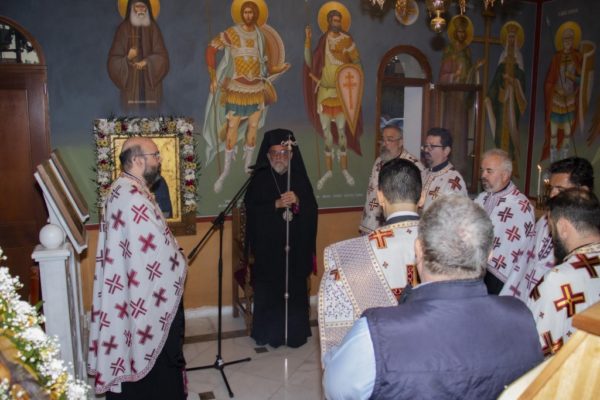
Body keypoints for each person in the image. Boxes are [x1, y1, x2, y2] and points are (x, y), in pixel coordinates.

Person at [323, 195, 543, 400]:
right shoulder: (522, 318)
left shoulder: (376, 334)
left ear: (418, 249)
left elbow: (336, 388)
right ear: (489, 256)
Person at [88, 137, 187, 398]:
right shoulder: (132, 197)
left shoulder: (125, 188)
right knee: (155, 350)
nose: (160, 160)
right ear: (137, 160)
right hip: (143, 289)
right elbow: (154, 250)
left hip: (131, 284)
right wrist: (178, 259)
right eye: (155, 155)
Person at [319, 158, 421, 358]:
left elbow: (338, 351)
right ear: (422, 196)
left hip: (379, 360)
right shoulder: (450, 248)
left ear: (380, 197)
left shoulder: (347, 257)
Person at [203, 0, 289, 193]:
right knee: (232, 127)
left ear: (256, 15)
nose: (249, 15)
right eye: (246, 12)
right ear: (241, 14)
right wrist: (213, 77)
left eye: (252, 12)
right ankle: (226, 171)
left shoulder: (260, 36)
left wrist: (279, 69)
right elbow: (210, 50)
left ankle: (248, 168)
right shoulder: (232, 33)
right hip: (237, 88)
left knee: (253, 127)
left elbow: (266, 65)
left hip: (256, 89)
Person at [244, 128, 318, 348]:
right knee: (268, 287)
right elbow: (251, 210)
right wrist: (274, 205)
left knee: (294, 285)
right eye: (274, 153)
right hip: (268, 249)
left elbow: (312, 211)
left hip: (295, 248)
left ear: (291, 155)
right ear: (267, 155)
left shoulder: (300, 179)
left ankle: (295, 333)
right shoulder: (259, 179)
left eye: (284, 152)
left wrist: (299, 201)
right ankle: (268, 333)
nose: (279, 157)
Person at [526, 188, 600, 357]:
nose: (550, 234)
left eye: (551, 226)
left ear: (563, 227)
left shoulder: (558, 280)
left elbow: (536, 347)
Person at [304, 1, 363, 190]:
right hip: (324, 92)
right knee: (327, 134)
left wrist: (354, 81)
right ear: (328, 22)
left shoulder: (347, 40)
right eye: (334, 20)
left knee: (342, 132)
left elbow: (357, 63)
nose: (336, 23)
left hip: (341, 93)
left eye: (339, 20)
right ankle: (329, 171)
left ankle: (344, 169)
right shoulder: (323, 41)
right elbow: (310, 62)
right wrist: (308, 40)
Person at [523, 157, 594, 300]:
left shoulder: (589, 229)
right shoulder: (544, 221)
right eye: (551, 188)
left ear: (583, 192)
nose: (552, 195)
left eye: (560, 189)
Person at [474, 149, 536, 297]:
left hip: (500, 278)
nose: (483, 175)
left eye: (489, 171)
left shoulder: (521, 206)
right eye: (482, 170)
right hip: (474, 271)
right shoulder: (481, 198)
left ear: (505, 175)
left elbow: (517, 252)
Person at [359, 117, 423, 234]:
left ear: (401, 142)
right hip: (370, 223)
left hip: (397, 226)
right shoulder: (379, 160)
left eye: (389, 139)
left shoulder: (413, 165)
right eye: (383, 140)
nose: (384, 144)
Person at [107, 0, 169, 109]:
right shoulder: (123, 29)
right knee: (131, 115)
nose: (141, 10)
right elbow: (112, 62)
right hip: (131, 89)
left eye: (143, 7)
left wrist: (147, 62)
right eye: (138, 7)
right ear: (131, 8)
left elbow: (163, 58)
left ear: (147, 9)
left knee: (153, 114)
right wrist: (128, 58)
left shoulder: (153, 28)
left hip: (151, 90)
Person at [486, 21, 527, 174]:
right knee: (499, 133)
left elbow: (521, 81)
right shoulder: (502, 58)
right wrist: (490, 96)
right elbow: (496, 79)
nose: (510, 40)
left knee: (510, 133)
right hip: (501, 102)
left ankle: (509, 163)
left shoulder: (519, 58)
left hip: (512, 104)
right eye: (509, 37)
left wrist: (513, 81)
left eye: (513, 37)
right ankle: (498, 161)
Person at [542, 22, 583, 162]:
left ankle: (564, 160)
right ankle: (554, 161)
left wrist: (572, 77)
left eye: (570, 39)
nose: (568, 41)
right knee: (553, 133)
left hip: (570, 99)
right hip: (557, 99)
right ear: (562, 41)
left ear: (573, 41)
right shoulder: (557, 58)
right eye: (565, 39)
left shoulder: (577, 57)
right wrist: (555, 88)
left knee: (567, 132)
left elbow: (582, 79)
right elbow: (549, 80)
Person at [418, 127, 468, 210]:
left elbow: (457, 214)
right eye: (425, 146)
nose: (426, 150)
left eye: (431, 146)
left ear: (446, 151)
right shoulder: (422, 174)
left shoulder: (453, 180)